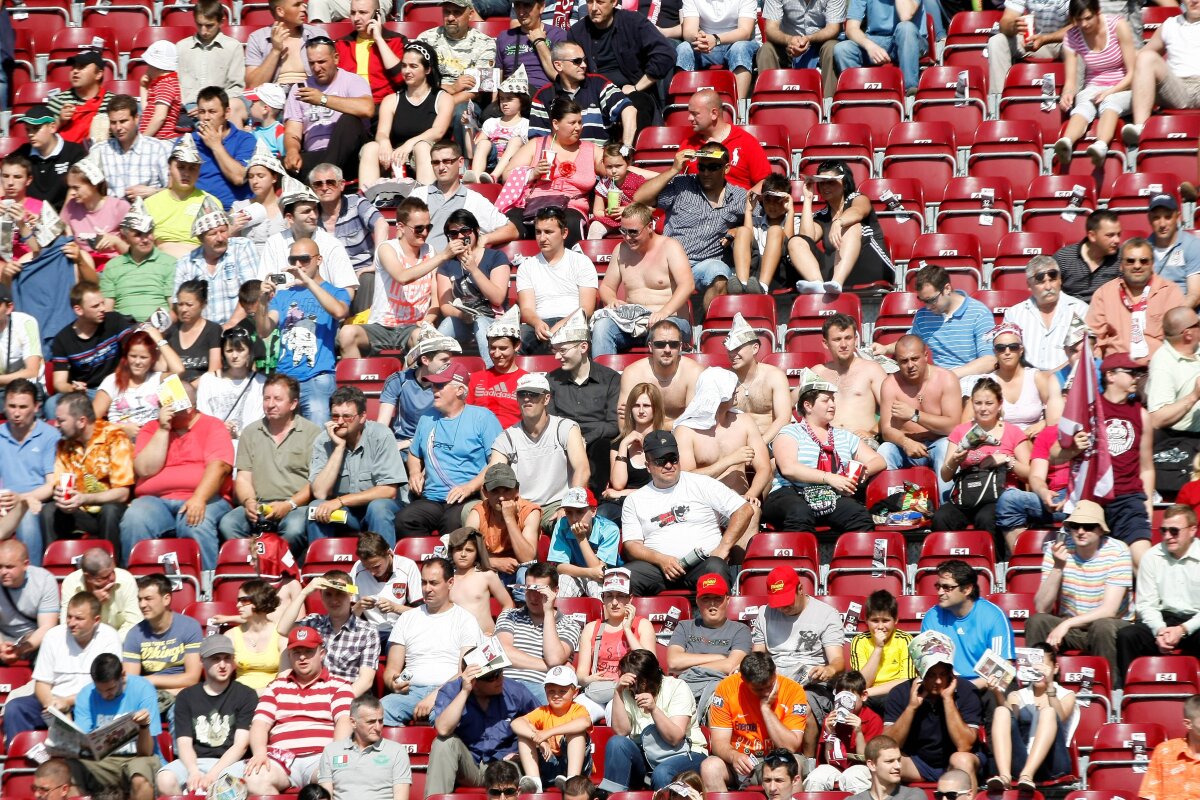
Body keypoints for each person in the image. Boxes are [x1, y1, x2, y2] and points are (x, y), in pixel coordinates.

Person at [118, 382, 235, 572]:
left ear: (189, 405)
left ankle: (206, 588)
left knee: (195, 521)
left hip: (205, 497)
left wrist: (199, 498)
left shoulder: (213, 425)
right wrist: (163, 429)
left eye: (170, 404)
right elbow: (145, 469)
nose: (164, 408)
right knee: (135, 517)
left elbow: (219, 467)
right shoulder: (151, 428)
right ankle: (138, 583)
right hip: (156, 501)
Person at [621, 429, 753, 595]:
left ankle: (715, 620)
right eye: (661, 461)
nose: (669, 465)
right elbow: (632, 545)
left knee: (716, 567)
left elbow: (744, 509)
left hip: (702, 564)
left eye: (673, 458)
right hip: (659, 569)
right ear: (648, 466)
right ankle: (636, 621)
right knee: (626, 577)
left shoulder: (702, 483)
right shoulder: (635, 500)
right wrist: (661, 560)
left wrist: (722, 549)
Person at [1054, 352, 1154, 567]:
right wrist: (1072, 449)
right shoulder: (1086, 411)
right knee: (1087, 566)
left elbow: (1146, 467)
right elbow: (1054, 456)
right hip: (1091, 500)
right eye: (1131, 373)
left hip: (1128, 499)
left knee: (1144, 562)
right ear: (1110, 375)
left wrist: (1148, 505)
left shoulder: (1141, 414)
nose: (1136, 378)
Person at [763, 368, 883, 535]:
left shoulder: (844, 436)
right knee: (799, 512)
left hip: (830, 496)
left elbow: (878, 460)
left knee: (859, 516)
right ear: (808, 405)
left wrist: (861, 472)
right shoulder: (790, 433)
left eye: (833, 400)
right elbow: (789, 468)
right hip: (791, 493)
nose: (833, 404)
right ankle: (799, 560)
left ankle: (851, 560)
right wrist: (829, 478)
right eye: (826, 400)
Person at [240, 626, 355, 795]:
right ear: (289, 656)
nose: (302, 657)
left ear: (321, 653)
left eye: (309, 651)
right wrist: (259, 753)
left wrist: (335, 754)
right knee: (254, 779)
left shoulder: (340, 686)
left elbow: (344, 721)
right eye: (296, 652)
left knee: (337, 775)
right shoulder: (276, 687)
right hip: (280, 758)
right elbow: (260, 724)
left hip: (321, 755)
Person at [1026, 499, 1133, 678]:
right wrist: (1058, 567)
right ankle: (1036, 684)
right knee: (1037, 621)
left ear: (1100, 529)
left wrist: (1067, 624)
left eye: (1088, 526)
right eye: (1075, 526)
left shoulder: (1118, 551)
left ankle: (1109, 689)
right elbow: (1041, 607)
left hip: (1109, 625)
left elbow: (1109, 610)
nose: (1081, 531)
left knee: (1102, 626)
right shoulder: (1058, 550)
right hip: (1073, 628)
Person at [633, 142, 746, 311]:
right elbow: (639, 198)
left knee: (720, 273)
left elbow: (761, 222)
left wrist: (739, 230)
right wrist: (673, 170)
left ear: (727, 168)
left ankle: (710, 331)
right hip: (671, 261)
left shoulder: (739, 196)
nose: (706, 173)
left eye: (713, 167)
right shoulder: (682, 185)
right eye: (702, 167)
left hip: (706, 263)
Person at [337, 197, 452, 360]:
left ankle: (407, 382)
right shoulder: (387, 248)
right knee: (347, 333)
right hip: (381, 326)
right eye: (419, 228)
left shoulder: (430, 252)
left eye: (428, 227)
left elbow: (435, 300)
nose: (425, 233)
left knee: (424, 338)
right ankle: (357, 382)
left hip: (413, 328)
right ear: (401, 227)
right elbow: (402, 277)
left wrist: (428, 320)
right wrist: (443, 256)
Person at [395, 363, 502, 536]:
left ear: (460, 390)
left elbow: (497, 463)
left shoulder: (483, 417)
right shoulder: (427, 418)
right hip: (432, 498)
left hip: (467, 497)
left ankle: (450, 562)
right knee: (404, 519)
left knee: (453, 524)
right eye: (433, 385)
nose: (433, 389)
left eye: (440, 385)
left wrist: (469, 487)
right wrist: (414, 472)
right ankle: (427, 562)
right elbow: (414, 454)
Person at [218, 372, 319, 554]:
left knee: (294, 529)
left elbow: (315, 483)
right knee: (228, 524)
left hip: (295, 506)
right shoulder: (250, 432)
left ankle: (277, 568)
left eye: (278, 399)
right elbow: (243, 479)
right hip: (259, 505)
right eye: (267, 398)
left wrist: (288, 504)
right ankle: (252, 566)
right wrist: (249, 501)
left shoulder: (312, 434)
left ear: (293, 403)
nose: (270, 404)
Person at [3, 591, 121, 744]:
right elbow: (42, 683)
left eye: (79, 618)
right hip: (53, 702)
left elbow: (109, 683)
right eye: (69, 616)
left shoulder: (109, 637)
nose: (71, 623)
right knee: (16, 708)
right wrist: (51, 705)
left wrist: (67, 703)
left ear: (96, 620)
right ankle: (24, 759)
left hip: (93, 701)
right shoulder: (53, 635)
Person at [255, 237, 351, 425]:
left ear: (319, 260)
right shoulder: (282, 295)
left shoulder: (337, 292)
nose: (298, 265)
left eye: (304, 259)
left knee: (318, 436)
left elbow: (339, 312)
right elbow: (263, 330)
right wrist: (261, 302)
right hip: (284, 378)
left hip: (316, 377)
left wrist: (308, 282)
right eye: (293, 260)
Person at [752, 566, 844, 755]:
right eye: (778, 602)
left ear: (800, 589)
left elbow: (838, 661)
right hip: (774, 677)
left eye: (787, 601)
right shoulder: (764, 613)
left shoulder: (826, 614)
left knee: (804, 706)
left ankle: (808, 762)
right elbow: (758, 656)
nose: (783, 607)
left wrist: (828, 670)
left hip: (811, 682)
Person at [381, 557, 484, 725]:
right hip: (410, 693)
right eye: (423, 583)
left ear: (450, 583)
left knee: (448, 720)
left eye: (434, 583)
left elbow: (464, 672)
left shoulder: (466, 620)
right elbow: (392, 668)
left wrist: (434, 696)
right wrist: (393, 683)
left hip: (450, 692)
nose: (427, 589)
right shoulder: (407, 618)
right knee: (380, 711)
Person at [675, 367, 772, 545]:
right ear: (717, 393)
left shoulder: (744, 422)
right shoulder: (686, 431)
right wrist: (730, 461)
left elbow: (764, 468)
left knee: (750, 512)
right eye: (732, 386)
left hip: (738, 499)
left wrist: (752, 493)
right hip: (702, 502)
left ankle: (740, 569)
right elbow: (685, 477)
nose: (737, 390)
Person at [155, 633, 258, 795]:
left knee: (229, 785)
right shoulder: (186, 697)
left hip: (232, 763)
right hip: (195, 762)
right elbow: (184, 743)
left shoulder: (246, 695)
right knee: (165, 779)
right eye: (216, 659)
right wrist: (193, 771)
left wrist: (213, 774)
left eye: (227, 658)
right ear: (202, 661)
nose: (222, 664)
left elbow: (240, 745)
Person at [933, 377, 1032, 538]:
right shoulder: (961, 431)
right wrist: (955, 459)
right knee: (941, 517)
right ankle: (949, 562)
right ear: (972, 404)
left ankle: (994, 562)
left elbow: (1029, 473)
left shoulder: (1013, 432)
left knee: (986, 518)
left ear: (999, 404)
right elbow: (945, 476)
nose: (983, 409)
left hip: (999, 496)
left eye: (989, 403)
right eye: (978, 403)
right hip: (968, 495)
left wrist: (1007, 459)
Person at [592, 203, 695, 357]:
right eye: (623, 231)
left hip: (670, 320)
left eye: (633, 232)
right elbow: (606, 286)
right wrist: (611, 299)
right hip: (632, 323)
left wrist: (664, 312)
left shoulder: (670, 246)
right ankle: (605, 378)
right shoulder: (621, 250)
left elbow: (687, 285)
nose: (627, 237)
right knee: (602, 327)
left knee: (661, 330)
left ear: (650, 227)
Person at [424, 658, 539, 795]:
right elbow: (443, 729)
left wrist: (521, 754)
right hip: (470, 766)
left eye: (500, 672)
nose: (499, 679)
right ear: (474, 682)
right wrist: (465, 692)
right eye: (492, 677)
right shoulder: (453, 690)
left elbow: (543, 722)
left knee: (510, 770)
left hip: (506, 764)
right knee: (443, 743)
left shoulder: (515, 690)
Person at [598, 648, 709, 791]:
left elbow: (675, 738)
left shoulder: (677, 687)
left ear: (651, 677)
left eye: (640, 681)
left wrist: (654, 709)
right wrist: (618, 691)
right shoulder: (627, 690)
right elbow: (621, 731)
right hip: (646, 757)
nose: (637, 687)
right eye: (632, 682)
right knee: (617, 743)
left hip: (686, 753)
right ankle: (613, 794)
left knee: (662, 772)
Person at [307, 386, 405, 545]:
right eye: (335, 416)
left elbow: (388, 490)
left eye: (347, 417)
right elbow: (320, 492)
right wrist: (339, 447)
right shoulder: (323, 440)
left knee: (378, 508)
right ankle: (323, 566)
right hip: (347, 514)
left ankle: (387, 564)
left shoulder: (381, 435)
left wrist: (340, 501)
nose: (339, 422)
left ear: (362, 417)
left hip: (382, 508)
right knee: (316, 507)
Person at [490, 372, 589, 528]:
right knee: (470, 512)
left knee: (566, 523)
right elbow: (493, 475)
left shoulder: (565, 427)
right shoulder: (507, 436)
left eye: (533, 394)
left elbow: (582, 469)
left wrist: (569, 505)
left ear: (546, 398)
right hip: (520, 506)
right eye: (522, 394)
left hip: (557, 504)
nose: (527, 398)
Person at [883, 634, 981, 790]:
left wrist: (948, 700)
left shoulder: (967, 690)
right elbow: (888, 746)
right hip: (918, 763)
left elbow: (965, 745)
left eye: (943, 674)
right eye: (931, 675)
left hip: (956, 762)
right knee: (884, 760)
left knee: (961, 759)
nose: (938, 681)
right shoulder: (900, 693)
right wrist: (911, 707)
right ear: (918, 671)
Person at [1116, 503, 1200, 680]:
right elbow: (1146, 604)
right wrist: (1160, 631)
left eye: (1174, 531)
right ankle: (1129, 696)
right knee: (1128, 636)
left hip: (1195, 621)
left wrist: (1183, 629)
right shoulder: (1151, 557)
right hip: (1163, 619)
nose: (1168, 536)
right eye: (1163, 530)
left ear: (1192, 530)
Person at [699, 652, 805, 791]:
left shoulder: (793, 690)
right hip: (740, 761)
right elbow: (719, 742)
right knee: (710, 767)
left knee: (794, 763)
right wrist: (733, 756)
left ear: (775, 673)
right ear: (743, 679)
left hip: (778, 760)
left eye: (770, 686)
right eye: (759, 690)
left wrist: (766, 708)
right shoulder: (727, 688)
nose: (767, 693)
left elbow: (791, 747)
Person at [504, 99, 603, 247]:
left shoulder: (590, 149)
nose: (578, 127)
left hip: (571, 207)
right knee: (509, 221)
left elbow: (615, 168)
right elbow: (507, 175)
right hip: (534, 205)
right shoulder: (536, 144)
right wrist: (533, 173)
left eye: (580, 122)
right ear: (556, 124)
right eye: (572, 123)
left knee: (567, 223)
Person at [876, 335, 965, 500]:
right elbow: (887, 430)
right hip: (904, 447)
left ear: (925, 356)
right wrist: (905, 442)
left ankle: (946, 508)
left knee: (947, 448)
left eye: (915, 359)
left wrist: (914, 415)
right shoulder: (890, 384)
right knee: (884, 450)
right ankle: (890, 509)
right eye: (904, 361)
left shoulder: (946, 379)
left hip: (938, 443)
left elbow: (953, 427)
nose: (910, 365)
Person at [64, 653, 161, 800]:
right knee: (68, 769)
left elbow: (146, 752)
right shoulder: (86, 694)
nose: (104, 696)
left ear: (122, 676)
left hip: (138, 757)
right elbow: (83, 743)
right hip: (103, 762)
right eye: (99, 690)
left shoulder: (142, 688)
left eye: (110, 689)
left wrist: (143, 727)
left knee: (140, 776)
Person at [1051, 0, 1135, 169]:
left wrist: (1110, 91)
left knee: (1110, 102)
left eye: (1088, 18)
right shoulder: (1072, 36)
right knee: (1082, 103)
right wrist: (1067, 93)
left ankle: (1101, 145)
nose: (1084, 24)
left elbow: (1133, 73)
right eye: (1078, 20)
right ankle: (1066, 142)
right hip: (1094, 85)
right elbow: (1070, 80)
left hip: (1123, 85)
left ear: (1098, 12)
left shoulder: (1118, 25)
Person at [984, 643, 1077, 793]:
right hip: (1022, 759)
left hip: (1053, 762)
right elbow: (1008, 720)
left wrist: (1050, 686)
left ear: (1055, 668)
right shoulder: (1018, 695)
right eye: (1035, 667)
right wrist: (997, 693)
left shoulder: (1067, 695)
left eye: (1043, 667)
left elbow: (1061, 716)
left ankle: (1028, 775)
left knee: (1048, 712)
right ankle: (1004, 776)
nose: (1039, 671)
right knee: (1001, 711)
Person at [568, 0, 676, 130]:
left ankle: (632, 149)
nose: (594, 8)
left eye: (600, 2)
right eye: (590, 2)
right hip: (594, 94)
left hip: (632, 93)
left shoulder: (633, 22)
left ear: (614, 2)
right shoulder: (578, 31)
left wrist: (637, 87)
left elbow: (665, 54)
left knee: (637, 103)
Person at [792, 161, 894, 295]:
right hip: (841, 274)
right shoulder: (821, 216)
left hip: (874, 266)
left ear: (844, 183)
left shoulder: (857, 198)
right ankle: (817, 284)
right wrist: (808, 198)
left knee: (851, 227)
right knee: (796, 241)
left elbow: (858, 211)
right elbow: (806, 239)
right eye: (821, 182)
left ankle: (836, 283)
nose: (825, 186)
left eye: (831, 182)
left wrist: (839, 222)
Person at [547, 313, 622, 498]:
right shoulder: (551, 380)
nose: (557, 356)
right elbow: (549, 421)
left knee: (603, 446)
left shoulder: (610, 379)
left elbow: (614, 424)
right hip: (561, 444)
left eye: (562, 350)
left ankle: (593, 500)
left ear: (583, 347)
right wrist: (572, 439)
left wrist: (585, 438)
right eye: (555, 350)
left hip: (598, 445)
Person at [359, 43, 452, 189]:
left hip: (428, 154)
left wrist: (409, 144)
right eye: (404, 66)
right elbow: (382, 132)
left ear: (427, 69)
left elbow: (437, 131)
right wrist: (384, 142)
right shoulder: (391, 100)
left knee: (421, 147)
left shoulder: (442, 98)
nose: (407, 71)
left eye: (413, 66)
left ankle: (428, 200)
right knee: (371, 147)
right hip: (396, 158)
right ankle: (368, 201)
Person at [876, 265, 995, 378]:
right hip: (937, 380)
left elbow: (989, 360)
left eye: (932, 300)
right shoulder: (923, 316)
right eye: (923, 301)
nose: (928, 307)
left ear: (947, 289)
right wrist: (885, 349)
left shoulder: (979, 312)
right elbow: (910, 343)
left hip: (969, 379)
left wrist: (948, 376)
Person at [276, 572, 380, 697]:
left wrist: (337, 701)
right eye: (328, 594)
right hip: (314, 695)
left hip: (349, 696)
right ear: (321, 596)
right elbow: (283, 629)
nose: (334, 600)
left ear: (351, 595)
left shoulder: (368, 632)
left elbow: (365, 681)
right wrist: (304, 592)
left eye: (340, 594)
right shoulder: (313, 622)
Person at [282, 38, 373, 180]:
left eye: (321, 62)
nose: (316, 68)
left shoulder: (352, 80)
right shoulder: (300, 88)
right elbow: (292, 131)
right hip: (315, 155)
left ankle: (323, 177)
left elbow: (367, 108)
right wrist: (292, 151)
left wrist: (323, 100)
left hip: (350, 156)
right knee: (273, 168)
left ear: (336, 58)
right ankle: (322, 176)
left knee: (350, 119)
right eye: (312, 63)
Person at [258, 177, 359, 303]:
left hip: (322, 313)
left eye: (315, 209)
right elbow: (264, 284)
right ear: (290, 217)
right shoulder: (274, 243)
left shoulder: (331, 244)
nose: (314, 215)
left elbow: (347, 291)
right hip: (282, 314)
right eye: (306, 211)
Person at [414, 0, 497, 149]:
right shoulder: (426, 39)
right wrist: (452, 87)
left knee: (461, 114)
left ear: (470, 14)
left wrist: (444, 103)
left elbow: (476, 91)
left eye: (457, 12)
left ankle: (464, 164)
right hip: (430, 96)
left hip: (465, 101)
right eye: (447, 12)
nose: (451, 17)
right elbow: (418, 80)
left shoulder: (485, 43)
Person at [515, 207, 599, 353]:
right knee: (514, 340)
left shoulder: (581, 262)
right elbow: (527, 309)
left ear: (564, 233)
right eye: (538, 232)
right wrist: (537, 323)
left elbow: (586, 308)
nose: (542, 238)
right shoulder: (526, 266)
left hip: (573, 321)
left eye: (548, 232)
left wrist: (561, 325)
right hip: (539, 324)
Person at [496, 561, 582, 702]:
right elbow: (502, 652)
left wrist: (548, 612)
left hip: (541, 688)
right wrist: (548, 666)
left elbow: (554, 658)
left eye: (540, 591)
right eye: (529, 589)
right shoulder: (509, 615)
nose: (533, 597)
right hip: (504, 683)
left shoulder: (570, 624)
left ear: (555, 592)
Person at [1088, 237, 1185, 363]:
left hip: (1158, 368)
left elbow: (1181, 339)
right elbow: (1094, 338)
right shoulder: (1104, 294)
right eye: (1130, 261)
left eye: (1144, 261)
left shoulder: (1170, 292)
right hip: (1118, 371)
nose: (1137, 266)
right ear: (1121, 266)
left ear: (1152, 264)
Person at [920, 560, 1015, 687]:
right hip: (944, 686)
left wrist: (968, 688)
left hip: (984, 687)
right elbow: (927, 663)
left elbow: (1003, 668)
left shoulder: (993, 616)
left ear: (967, 589)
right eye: (938, 586)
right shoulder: (932, 616)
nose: (940, 592)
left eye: (947, 587)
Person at [575, 568, 656, 711]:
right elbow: (581, 674)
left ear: (630, 599)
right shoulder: (591, 628)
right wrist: (588, 679)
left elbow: (650, 666)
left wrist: (627, 630)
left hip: (629, 691)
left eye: (620, 596)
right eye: (609, 596)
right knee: (576, 713)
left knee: (615, 712)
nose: (614, 602)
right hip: (598, 691)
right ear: (603, 598)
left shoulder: (642, 625)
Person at [48, 282, 136, 414]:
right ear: (79, 310)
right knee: (51, 404)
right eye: (95, 306)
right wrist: (72, 388)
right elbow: (59, 382)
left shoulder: (114, 320)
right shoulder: (63, 339)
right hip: (88, 392)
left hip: (117, 385)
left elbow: (133, 347)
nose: (102, 309)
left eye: (102, 303)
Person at [312, 162, 389, 313]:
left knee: (369, 278)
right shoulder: (311, 215)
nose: (324, 187)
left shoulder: (356, 202)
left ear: (341, 185)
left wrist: (376, 263)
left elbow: (382, 224)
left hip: (360, 273)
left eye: (330, 182)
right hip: (329, 278)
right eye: (318, 184)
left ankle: (361, 328)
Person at [667, 572, 751, 710]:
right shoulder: (684, 626)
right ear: (698, 601)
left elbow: (731, 666)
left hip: (721, 691)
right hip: (685, 689)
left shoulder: (740, 630)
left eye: (718, 598)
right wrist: (720, 657)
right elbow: (673, 662)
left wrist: (690, 669)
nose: (712, 605)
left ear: (728, 599)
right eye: (706, 598)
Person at [1121, 0, 1200, 146]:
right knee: (1146, 58)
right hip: (1176, 88)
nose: (1194, 1)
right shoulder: (1170, 24)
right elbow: (1140, 56)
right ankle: (1140, 128)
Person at [416, 142, 517, 256]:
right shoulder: (419, 195)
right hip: (423, 266)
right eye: (435, 162)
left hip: (457, 268)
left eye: (447, 161)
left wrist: (483, 240)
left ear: (460, 162)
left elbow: (512, 230)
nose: (441, 167)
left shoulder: (474, 200)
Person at [527, 42, 636, 147]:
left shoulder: (598, 83)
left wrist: (626, 147)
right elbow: (538, 140)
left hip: (599, 159)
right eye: (577, 61)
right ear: (558, 65)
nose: (584, 65)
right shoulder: (544, 95)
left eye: (585, 60)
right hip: (561, 161)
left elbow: (629, 110)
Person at [0, 379, 58, 561]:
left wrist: (22, 499)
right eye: (12, 406)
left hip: (35, 502)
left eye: (23, 407)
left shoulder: (50, 436)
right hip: (4, 502)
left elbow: (51, 485)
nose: (16, 413)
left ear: (36, 407)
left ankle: (32, 575)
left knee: (26, 517)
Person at [1002, 255, 1091, 373]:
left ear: (1060, 280)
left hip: (1067, 380)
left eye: (1053, 279)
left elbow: (1084, 353)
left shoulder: (1080, 310)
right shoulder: (1014, 315)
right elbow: (1006, 353)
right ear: (1029, 285)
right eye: (1041, 282)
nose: (1048, 287)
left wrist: (1052, 376)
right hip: (1026, 382)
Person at [122, 573, 204, 699]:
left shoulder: (189, 627)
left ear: (166, 599)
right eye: (140, 599)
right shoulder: (134, 634)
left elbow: (192, 678)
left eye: (148, 598)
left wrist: (150, 680)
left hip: (182, 695)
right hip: (147, 696)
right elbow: (131, 682)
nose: (142, 605)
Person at [93, 328, 185, 440]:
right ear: (126, 356)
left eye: (143, 357)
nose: (137, 362)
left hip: (153, 441)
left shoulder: (157, 379)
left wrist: (159, 339)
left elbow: (179, 370)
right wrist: (121, 428)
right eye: (133, 356)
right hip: (121, 444)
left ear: (152, 359)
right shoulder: (111, 382)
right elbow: (92, 422)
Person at [512, 665, 593, 790]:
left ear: (575, 692)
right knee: (525, 734)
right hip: (550, 764)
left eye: (562, 691)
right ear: (545, 690)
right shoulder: (542, 711)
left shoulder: (578, 709)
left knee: (576, 733)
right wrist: (536, 737)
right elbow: (516, 723)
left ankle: (572, 781)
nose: (556, 695)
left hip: (577, 768)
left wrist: (547, 733)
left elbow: (585, 723)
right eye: (551, 691)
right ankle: (535, 782)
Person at [376, 329, 460, 451]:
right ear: (425, 360)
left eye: (450, 360)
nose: (449, 364)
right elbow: (382, 425)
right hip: (401, 445)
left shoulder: (451, 384)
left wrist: (409, 442)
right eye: (444, 360)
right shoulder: (398, 380)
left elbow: (449, 427)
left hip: (436, 443)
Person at [318, 693, 412, 800]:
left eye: (380, 721)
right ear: (353, 722)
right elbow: (325, 796)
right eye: (371, 722)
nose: (377, 727)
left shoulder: (397, 752)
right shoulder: (331, 751)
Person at [811, 313, 885, 445]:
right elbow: (792, 404)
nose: (844, 344)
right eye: (837, 339)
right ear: (825, 343)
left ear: (855, 339)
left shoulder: (872, 370)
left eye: (848, 338)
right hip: (826, 443)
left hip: (863, 442)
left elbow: (892, 410)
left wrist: (873, 432)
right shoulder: (818, 372)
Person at [803, 671, 883, 793]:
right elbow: (829, 759)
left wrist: (859, 732)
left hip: (863, 768)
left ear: (863, 696)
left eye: (850, 698)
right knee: (815, 778)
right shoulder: (831, 717)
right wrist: (830, 732)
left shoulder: (872, 719)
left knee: (853, 776)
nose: (844, 703)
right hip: (837, 767)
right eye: (840, 697)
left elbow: (867, 759)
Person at [677, 90, 770, 193]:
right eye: (690, 113)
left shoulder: (745, 141)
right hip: (697, 206)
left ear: (714, 113)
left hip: (738, 206)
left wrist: (743, 202)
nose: (689, 118)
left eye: (695, 114)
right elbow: (679, 184)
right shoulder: (688, 144)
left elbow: (765, 181)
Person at [143, 137, 220, 259]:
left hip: (198, 263)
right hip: (160, 263)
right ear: (170, 168)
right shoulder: (150, 203)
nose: (186, 173)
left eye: (192, 168)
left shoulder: (210, 202)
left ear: (199, 170)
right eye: (181, 167)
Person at [99, 201, 177, 322]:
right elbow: (108, 310)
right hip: (124, 331)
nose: (145, 239)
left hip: (160, 328)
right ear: (125, 238)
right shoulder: (112, 266)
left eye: (149, 232)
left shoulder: (169, 263)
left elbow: (174, 308)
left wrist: (154, 328)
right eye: (138, 234)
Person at [617, 320, 704, 425]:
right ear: (650, 346)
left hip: (681, 438)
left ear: (680, 346)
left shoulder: (694, 372)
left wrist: (650, 425)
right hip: (643, 439)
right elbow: (624, 424)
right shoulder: (633, 373)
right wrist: (676, 422)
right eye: (660, 344)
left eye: (673, 344)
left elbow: (694, 422)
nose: (667, 350)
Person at [463, 463, 543, 578]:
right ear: (485, 492)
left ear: (516, 490)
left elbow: (528, 559)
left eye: (506, 490)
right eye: (495, 491)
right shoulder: (478, 513)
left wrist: (510, 518)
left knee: (524, 573)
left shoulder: (530, 511)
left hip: (520, 570)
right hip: (490, 570)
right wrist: (494, 562)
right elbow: (465, 552)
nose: (501, 497)